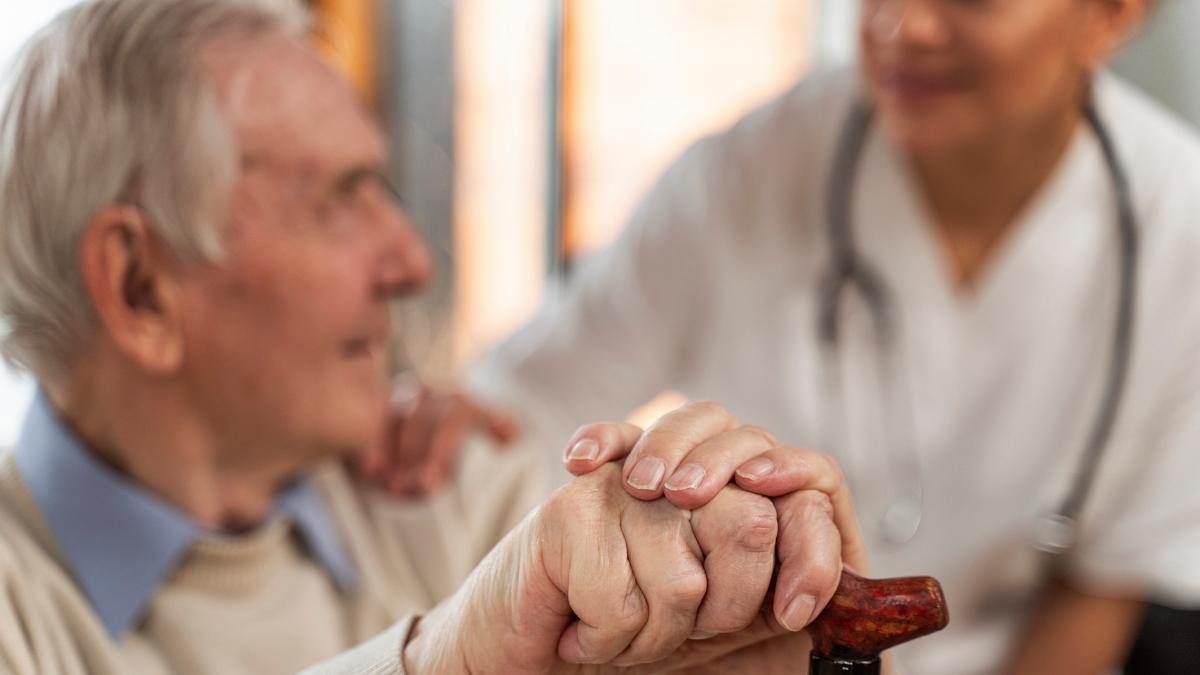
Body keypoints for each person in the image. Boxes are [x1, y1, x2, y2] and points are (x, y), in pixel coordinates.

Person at [0, 1, 867, 674]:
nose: (412, 261)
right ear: (140, 287)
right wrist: (441, 660)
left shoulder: (468, 500)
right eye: (339, 200)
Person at [464, 0, 1200, 673]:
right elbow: (523, 402)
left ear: (1109, 16)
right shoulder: (749, 172)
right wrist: (453, 423)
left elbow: (1103, 583)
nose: (903, 26)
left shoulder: (1177, 224)